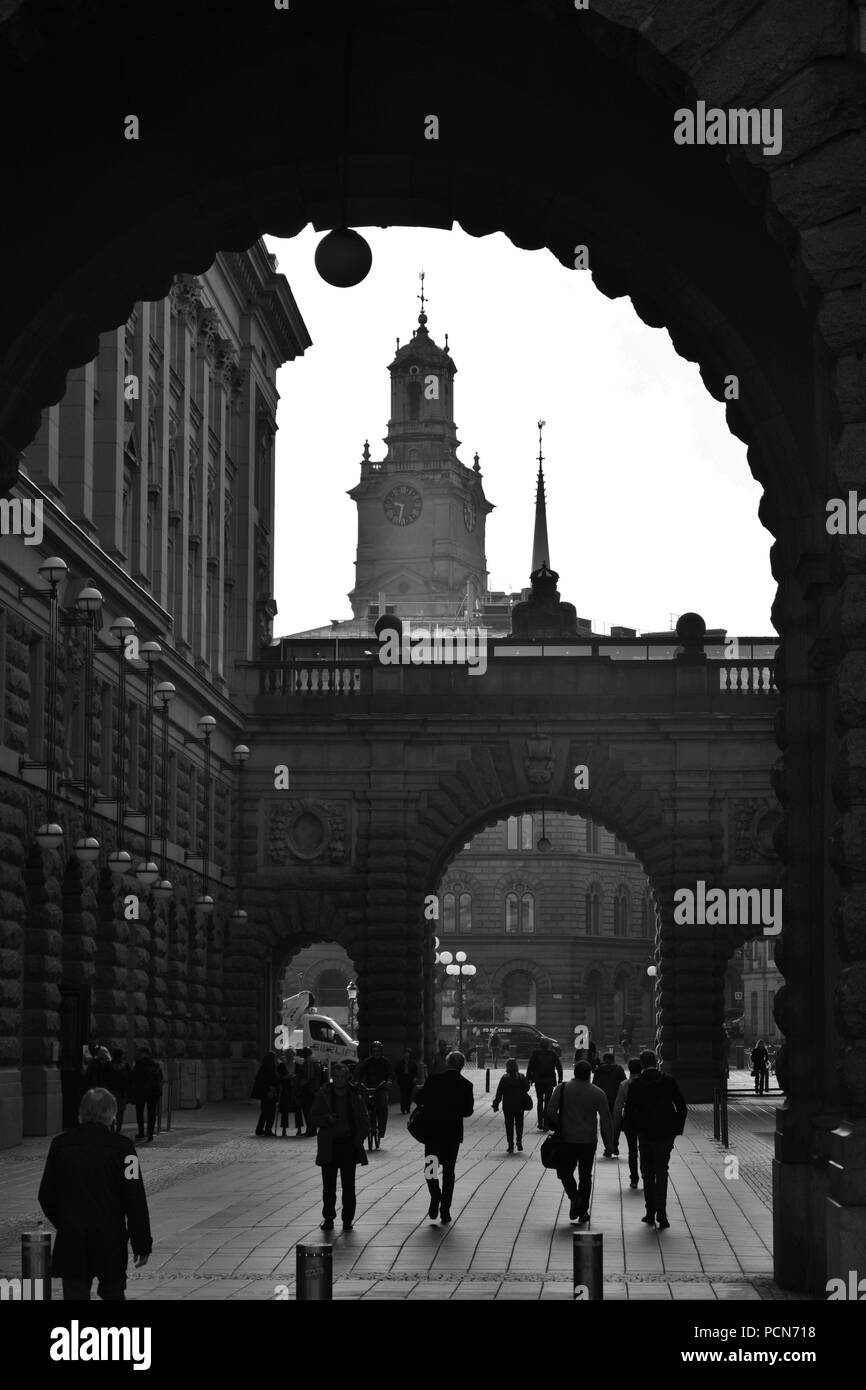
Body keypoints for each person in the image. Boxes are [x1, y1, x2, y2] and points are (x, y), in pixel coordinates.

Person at [37, 1087, 152, 1300]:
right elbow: (135, 1197)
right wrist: (142, 1242)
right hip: (110, 1239)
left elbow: (46, 1194)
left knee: (74, 1295)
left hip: (72, 1238)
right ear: (111, 1114)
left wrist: (65, 1221)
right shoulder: (125, 1148)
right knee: (114, 1293)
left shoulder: (60, 1145)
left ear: (81, 1113)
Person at [623, 1049, 688, 1230]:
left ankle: (650, 1212)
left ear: (642, 1064)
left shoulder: (636, 1085)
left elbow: (629, 1112)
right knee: (662, 1172)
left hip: (645, 1135)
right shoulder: (668, 1081)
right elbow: (682, 1107)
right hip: (665, 1135)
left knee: (647, 1173)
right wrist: (676, 1130)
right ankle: (662, 1213)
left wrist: (632, 1131)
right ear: (657, 1060)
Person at [544, 1060, 613, 1225]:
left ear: (575, 1072)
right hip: (588, 1140)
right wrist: (610, 1143)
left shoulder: (562, 1089)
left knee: (565, 1171)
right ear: (589, 1074)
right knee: (585, 1175)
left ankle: (574, 1196)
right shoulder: (598, 1093)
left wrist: (558, 1124)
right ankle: (583, 1210)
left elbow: (551, 1111)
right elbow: (606, 1120)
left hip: (567, 1139)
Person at [414, 1050, 474, 1224]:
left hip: (432, 1133)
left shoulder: (434, 1080)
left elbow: (418, 1099)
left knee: (430, 1167)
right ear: (462, 1066)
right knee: (449, 1172)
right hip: (452, 1135)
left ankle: (435, 1195)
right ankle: (445, 1210)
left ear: (447, 1063)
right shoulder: (466, 1085)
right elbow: (468, 1111)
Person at [309, 1061, 369, 1231]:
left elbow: (364, 1121)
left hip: (348, 1144)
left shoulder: (355, 1095)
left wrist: (358, 1139)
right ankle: (328, 1218)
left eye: (343, 1077)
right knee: (328, 1187)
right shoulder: (324, 1095)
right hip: (329, 1145)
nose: (340, 1080)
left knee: (348, 1186)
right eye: (337, 1077)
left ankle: (347, 1219)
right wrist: (326, 1119)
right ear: (333, 1078)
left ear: (347, 1077)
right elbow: (312, 1118)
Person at [612, 1056, 643, 1188]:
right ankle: (646, 1175)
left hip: (630, 1120)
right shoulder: (646, 1083)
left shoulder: (624, 1084)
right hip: (644, 1120)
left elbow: (618, 1108)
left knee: (632, 1150)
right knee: (645, 1149)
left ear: (629, 1069)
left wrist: (616, 1128)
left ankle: (634, 1178)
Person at [355, 1041, 395, 1140]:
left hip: (381, 1088)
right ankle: (364, 1127)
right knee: (362, 1106)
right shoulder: (367, 1062)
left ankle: (381, 1130)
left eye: (378, 1051)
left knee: (383, 1106)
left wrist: (389, 1081)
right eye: (374, 1051)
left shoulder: (385, 1062)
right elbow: (359, 1073)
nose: (376, 1053)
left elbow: (391, 1074)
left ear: (381, 1051)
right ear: (371, 1052)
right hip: (368, 1088)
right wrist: (357, 1082)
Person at [492, 1057, 531, 1152]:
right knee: (519, 1124)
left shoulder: (504, 1078)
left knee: (509, 1125)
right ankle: (519, 1140)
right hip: (519, 1104)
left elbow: (499, 1092)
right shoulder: (521, 1077)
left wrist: (496, 1104)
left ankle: (510, 1145)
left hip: (508, 1105)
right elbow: (527, 1088)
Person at [593, 1051, 627, 1156]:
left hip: (603, 1101)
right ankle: (615, 1145)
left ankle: (608, 1146)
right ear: (613, 1060)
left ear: (604, 1060)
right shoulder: (619, 1069)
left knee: (604, 1124)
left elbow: (594, 1086)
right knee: (616, 1124)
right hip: (616, 1100)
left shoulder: (598, 1070)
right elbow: (623, 1084)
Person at [526, 1037, 563, 1131]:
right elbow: (559, 1067)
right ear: (548, 1045)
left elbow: (530, 1066)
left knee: (539, 1101)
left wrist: (528, 1079)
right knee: (548, 1101)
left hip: (538, 1080)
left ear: (540, 1045)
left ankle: (540, 1122)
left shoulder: (535, 1053)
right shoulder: (553, 1054)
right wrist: (560, 1080)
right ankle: (546, 1123)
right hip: (550, 1080)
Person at [131, 1045, 163, 1143]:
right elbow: (160, 1077)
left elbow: (135, 1078)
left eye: (139, 1053)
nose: (138, 1054)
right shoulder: (156, 1064)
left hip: (142, 1092)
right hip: (154, 1092)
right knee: (152, 1113)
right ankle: (150, 1134)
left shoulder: (139, 1064)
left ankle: (141, 1132)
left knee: (140, 1112)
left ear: (143, 1053)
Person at [251, 1051, 279, 1136]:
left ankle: (259, 1129)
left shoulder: (263, 1068)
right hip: (270, 1093)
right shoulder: (271, 1068)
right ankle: (267, 1129)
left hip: (264, 1094)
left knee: (264, 1112)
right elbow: (273, 1080)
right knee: (271, 1113)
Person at [106, 1048, 132, 1134]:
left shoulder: (108, 1066)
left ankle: (112, 1128)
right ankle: (118, 1130)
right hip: (122, 1093)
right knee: (120, 1112)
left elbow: (105, 1079)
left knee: (112, 1111)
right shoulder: (125, 1066)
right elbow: (129, 1079)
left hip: (111, 1091)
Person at [297, 1048, 322, 1136]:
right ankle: (312, 1129)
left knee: (308, 1111)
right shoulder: (316, 1061)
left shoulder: (308, 1062)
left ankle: (310, 1130)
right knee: (312, 1111)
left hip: (308, 1090)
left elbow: (308, 1077)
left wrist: (300, 1084)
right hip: (314, 1089)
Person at [277, 1051, 296, 1136]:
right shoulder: (281, 1066)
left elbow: (299, 1075)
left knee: (297, 1109)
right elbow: (278, 1077)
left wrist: (294, 1077)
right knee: (285, 1110)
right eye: (288, 1055)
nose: (290, 1057)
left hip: (295, 1089)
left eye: (291, 1055)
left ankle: (299, 1128)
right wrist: (285, 1077)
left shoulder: (297, 1065)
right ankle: (284, 1128)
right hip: (285, 1089)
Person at [395, 1048, 419, 1114]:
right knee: (403, 1094)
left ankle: (408, 1108)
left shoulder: (412, 1063)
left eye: (408, 1053)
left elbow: (415, 1071)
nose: (406, 1054)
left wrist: (414, 1078)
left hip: (410, 1080)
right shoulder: (400, 1062)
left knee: (409, 1094)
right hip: (402, 1080)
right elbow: (396, 1071)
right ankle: (403, 1108)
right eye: (405, 1053)